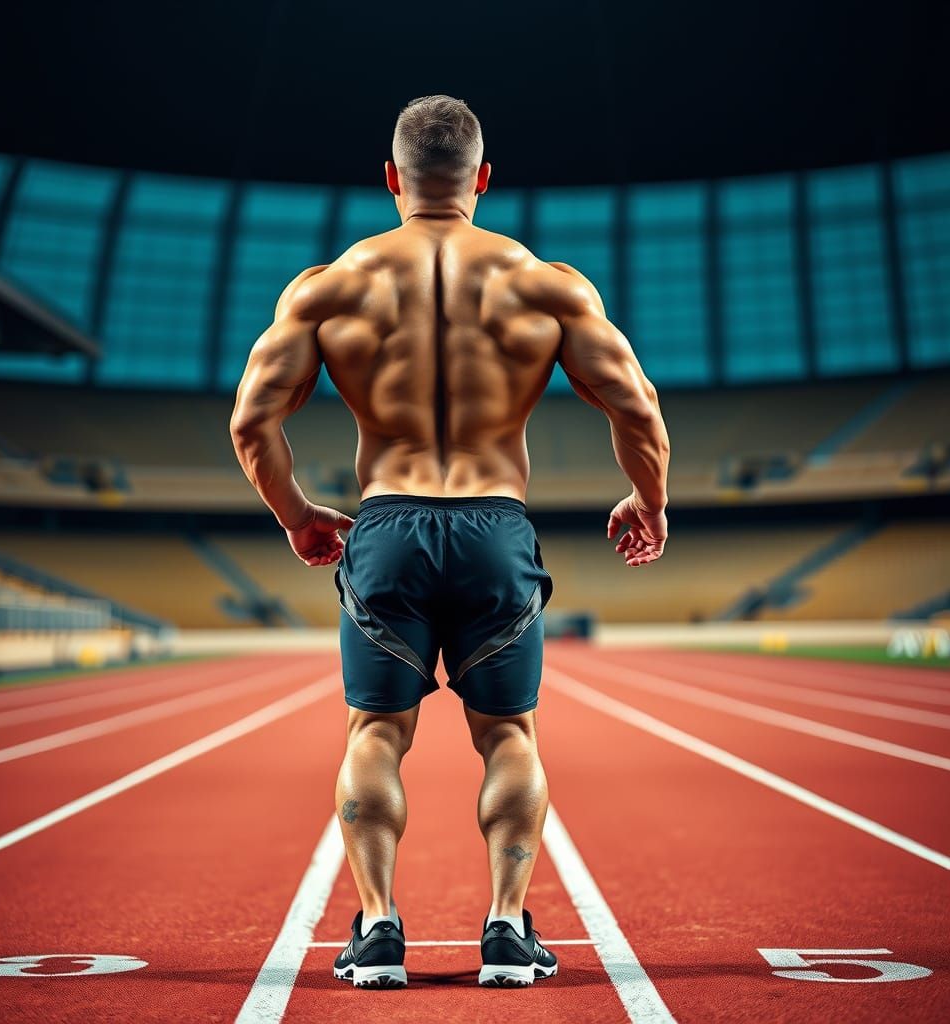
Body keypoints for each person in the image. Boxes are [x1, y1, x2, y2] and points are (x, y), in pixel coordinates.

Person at [231, 94, 670, 989]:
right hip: (495, 527)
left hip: (387, 527)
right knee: (508, 732)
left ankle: (377, 930)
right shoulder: (546, 284)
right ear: (484, 179)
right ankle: (506, 929)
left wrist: (298, 514)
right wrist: (649, 501)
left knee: (375, 731)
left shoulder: (328, 288)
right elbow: (637, 407)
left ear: (391, 179)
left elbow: (251, 422)